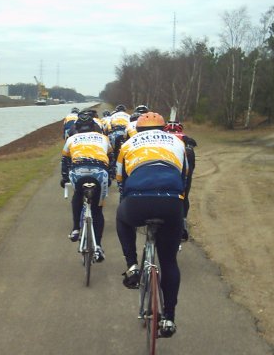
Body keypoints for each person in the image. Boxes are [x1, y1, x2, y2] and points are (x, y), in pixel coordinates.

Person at [115, 112, 188, 337]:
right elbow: (184, 176)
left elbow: (119, 179)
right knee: (169, 262)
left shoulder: (128, 144)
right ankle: (168, 318)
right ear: (164, 128)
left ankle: (133, 265)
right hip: (170, 203)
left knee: (121, 217)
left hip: (138, 201)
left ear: (138, 130)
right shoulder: (177, 142)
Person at [61, 117, 114, 262]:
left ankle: (75, 229)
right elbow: (111, 158)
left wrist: (64, 178)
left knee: (78, 194)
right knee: (97, 210)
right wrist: (110, 177)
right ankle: (98, 246)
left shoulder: (71, 138)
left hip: (78, 171)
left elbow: (65, 160)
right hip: (100, 172)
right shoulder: (104, 138)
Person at [163, 121, 197, 241]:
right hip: (184, 163)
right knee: (183, 195)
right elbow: (194, 144)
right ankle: (182, 224)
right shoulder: (185, 137)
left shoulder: (162, 137)